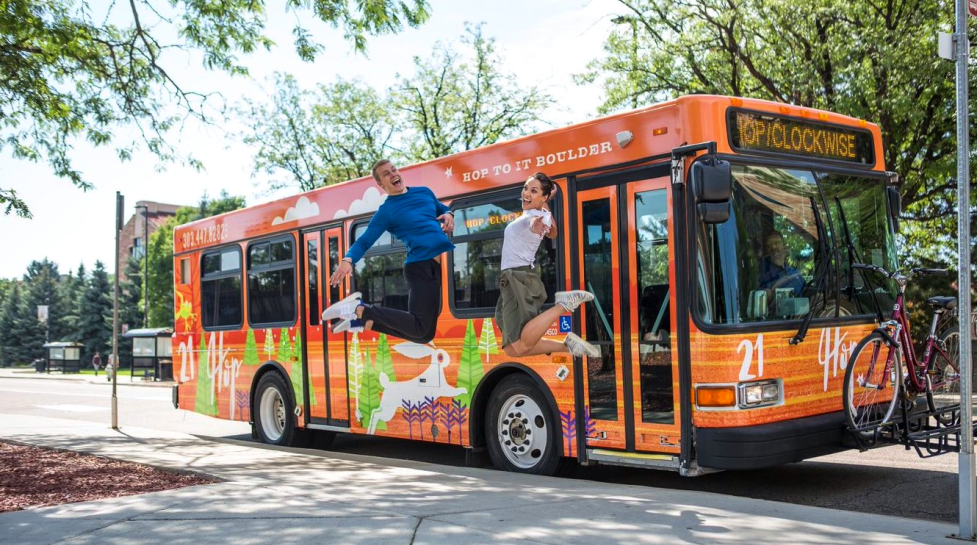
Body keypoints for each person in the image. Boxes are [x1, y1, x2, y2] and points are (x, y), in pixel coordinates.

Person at [323, 159, 455, 343]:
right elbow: (364, 240)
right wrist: (347, 260)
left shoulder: (424, 192)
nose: (393, 174)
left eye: (394, 170)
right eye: (386, 174)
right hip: (420, 267)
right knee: (418, 327)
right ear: (380, 184)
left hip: (435, 268)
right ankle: (359, 308)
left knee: (425, 334)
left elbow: (442, 208)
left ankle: (364, 323)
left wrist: (449, 214)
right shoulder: (387, 211)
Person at [495, 172, 599, 359]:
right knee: (512, 348)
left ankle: (563, 304)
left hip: (516, 277)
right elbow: (551, 232)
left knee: (521, 344)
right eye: (526, 188)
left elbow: (534, 223)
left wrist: (536, 224)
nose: (526, 193)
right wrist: (544, 201)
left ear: (543, 197)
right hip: (515, 277)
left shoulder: (534, 217)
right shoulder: (540, 212)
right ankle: (567, 346)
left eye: (533, 191)